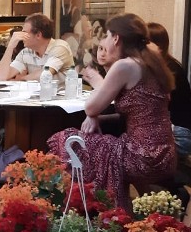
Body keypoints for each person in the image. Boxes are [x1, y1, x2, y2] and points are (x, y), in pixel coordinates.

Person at [48, 13, 176, 210]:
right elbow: (140, 114)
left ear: (116, 38)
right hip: (165, 154)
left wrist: (93, 111)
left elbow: (91, 106)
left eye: (106, 35)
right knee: (94, 144)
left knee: (68, 140)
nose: (104, 41)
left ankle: (90, 209)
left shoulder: (125, 66)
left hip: (143, 156)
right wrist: (98, 118)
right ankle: (99, 209)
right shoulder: (152, 62)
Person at [147, 22, 191, 157]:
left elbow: (154, 104)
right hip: (169, 129)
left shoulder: (170, 70)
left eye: (144, 42)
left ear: (156, 45)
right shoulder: (161, 66)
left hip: (181, 134)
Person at [0, 13, 74, 86]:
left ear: (38, 35)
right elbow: (2, 77)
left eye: (24, 32)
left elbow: (45, 74)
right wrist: (10, 46)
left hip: (61, 94)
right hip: (36, 94)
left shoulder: (60, 47)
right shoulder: (25, 52)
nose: (21, 36)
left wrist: (21, 79)